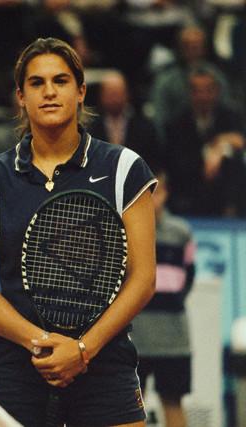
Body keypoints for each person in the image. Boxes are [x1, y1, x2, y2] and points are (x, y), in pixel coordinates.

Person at [0, 37, 157, 426]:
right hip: (17, 367)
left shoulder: (124, 168)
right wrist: (41, 342)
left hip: (106, 365)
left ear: (81, 91)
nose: (49, 91)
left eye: (61, 81)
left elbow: (143, 278)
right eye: (36, 83)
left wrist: (83, 349)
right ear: (20, 96)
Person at [131, 169, 195, 427]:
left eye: (156, 191)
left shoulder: (182, 232)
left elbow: (188, 278)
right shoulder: (126, 230)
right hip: (134, 341)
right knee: (133, 408)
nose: (151, 197)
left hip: (174, 341)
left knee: (173, 404)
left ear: (166, 194)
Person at [162, 64, 246, 217]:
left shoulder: (230, 116)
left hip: (225, 191)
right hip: (190, 190)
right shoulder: (176, 123)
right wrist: (208, 155)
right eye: (197, 91)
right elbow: (177, 163)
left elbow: (240, 141)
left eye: (208, 90)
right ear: (190, 93)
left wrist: (219, 147)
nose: (203, 96)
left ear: (216, 91)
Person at [89, 70, 162, 170]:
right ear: (101, 96)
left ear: (127, 95)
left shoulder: (144, 128)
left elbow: (154, 164)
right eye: (110, 94)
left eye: (117, 93)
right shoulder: (90, 128)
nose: (114, 99)